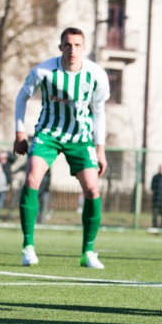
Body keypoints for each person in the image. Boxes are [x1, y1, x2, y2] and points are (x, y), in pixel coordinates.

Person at [13, 27, 110, 268]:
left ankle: (88, 252)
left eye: (77, 45)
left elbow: (98, 112)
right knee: (33, 178)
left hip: (81, 137)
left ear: (84, 48)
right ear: (60, 47)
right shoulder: (44, 71)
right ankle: (28, 247)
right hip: (49, 133)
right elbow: (21, 97)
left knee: (92, 189)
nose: (72, 50)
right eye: (67, 45)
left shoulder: (96, 75)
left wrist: (100, 149)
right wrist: (19, 133)